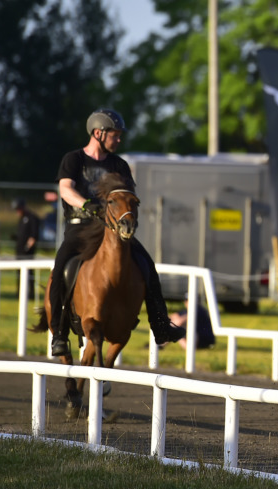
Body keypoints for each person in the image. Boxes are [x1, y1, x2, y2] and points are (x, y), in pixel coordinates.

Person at [49, 108, 185, 357]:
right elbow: (66, 190)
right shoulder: (74, 159)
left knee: (147, 266)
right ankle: (59, 334)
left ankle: (161, 326)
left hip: (111, 229)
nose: (119, 140)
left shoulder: (119, 165)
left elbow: (127, 196)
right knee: (60, 270)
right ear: (99, 133)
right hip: (81, 227)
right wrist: (87, 205)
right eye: (115, 135)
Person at [12, 198, 41, 298]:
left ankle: (31, 293)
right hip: (19, 250)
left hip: (27, 251)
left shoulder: (32, 218)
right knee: (19, 273)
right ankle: (19, 293)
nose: (17, 211)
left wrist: (27, 247)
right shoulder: (21, 218)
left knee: (29, 273)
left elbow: (34, 235)